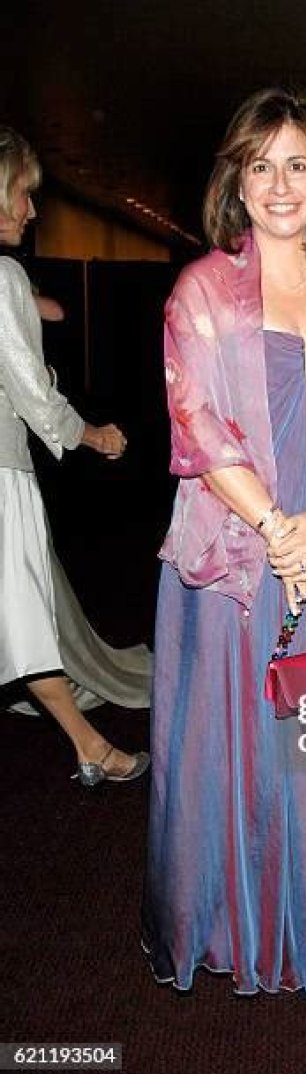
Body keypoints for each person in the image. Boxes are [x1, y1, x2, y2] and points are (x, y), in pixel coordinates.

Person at [142, 88, 306, 1010]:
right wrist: (282, 532)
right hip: (235, 563)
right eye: (261, 166)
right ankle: (229, 927)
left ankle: (305, 920)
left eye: (298, 165)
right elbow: (197, 426)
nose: (281, 184)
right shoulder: (202, 290)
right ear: (237, 184)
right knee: (230, 749)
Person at [0, 125, 149, 785]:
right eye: (21, 194)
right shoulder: (3, 275)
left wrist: (31, 305)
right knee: (25, 616)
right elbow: (33, 395)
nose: (31, 210)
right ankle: (89, 745)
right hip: (2, 477)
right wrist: (93, 435)